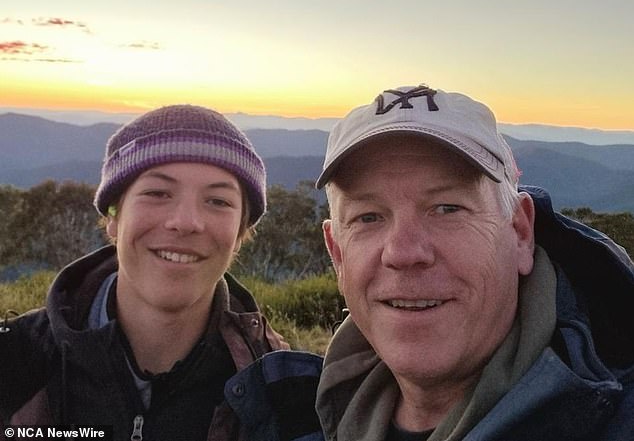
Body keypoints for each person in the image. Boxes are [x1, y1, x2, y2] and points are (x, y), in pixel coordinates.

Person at [314, 84, 634, 441]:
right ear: (337, 253)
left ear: (520, 232)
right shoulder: (291, 411)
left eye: (448, 209)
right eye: (368, 217)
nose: (403, 253)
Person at [0, 105, 323, 441]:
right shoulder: (14, 363)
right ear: (113, 216)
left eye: (217, 201)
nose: (185, 222)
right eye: (157, 193)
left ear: (240, 232)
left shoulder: (284, 391)